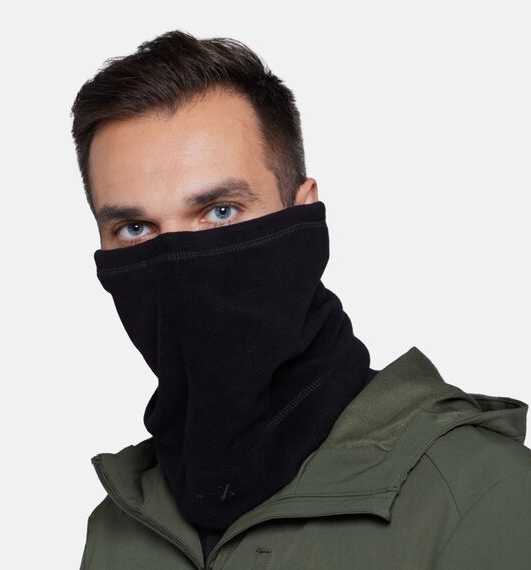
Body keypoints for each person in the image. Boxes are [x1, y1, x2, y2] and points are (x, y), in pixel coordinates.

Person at [70, 30, 531, 569]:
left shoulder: (482, 497)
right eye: (134, 228)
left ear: (304, 212)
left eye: (220, 211)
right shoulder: (120, 526)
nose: (177, 261)